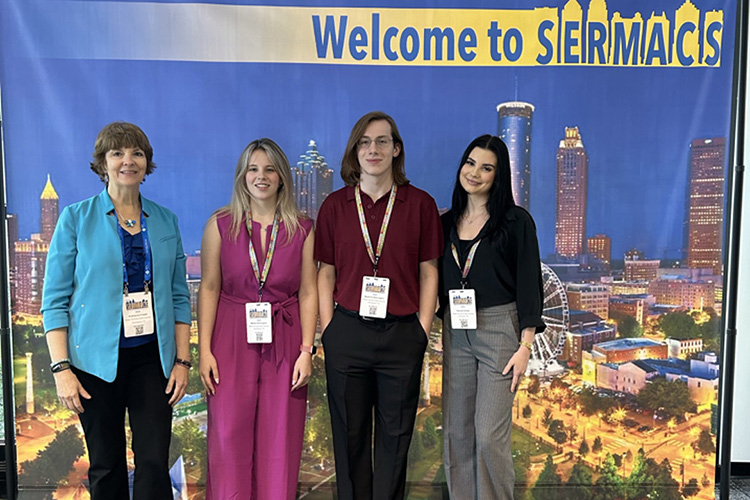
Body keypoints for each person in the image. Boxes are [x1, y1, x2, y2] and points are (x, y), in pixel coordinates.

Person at [41, 122, 192, 500]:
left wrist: (182, 362)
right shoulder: (76, 219)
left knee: (154, 463)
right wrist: (61, 369)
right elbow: (54, 301)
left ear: (147, 163)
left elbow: (178, 297)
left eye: (137, 153)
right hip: (93, 364)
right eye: (117, 153)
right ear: (102, 163)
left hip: (151, 361)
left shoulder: (165, 221)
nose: (128, 160)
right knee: (106, 465)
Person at [315, 111, 443, 500]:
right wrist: (329, 330)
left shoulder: (420, 204)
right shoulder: (335, 206)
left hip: (402, 334)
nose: (373, 149)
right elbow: (325, 273)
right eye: (365, 142)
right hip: (347, 333)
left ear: (396, 149)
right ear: (355, 151)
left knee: (396, 437)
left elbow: (429, 272)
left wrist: (422, 329)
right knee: (349, 437)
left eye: (382, 141)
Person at [198, 138, 317, 500]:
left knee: (281, 438)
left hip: (286, 338)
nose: (261, 177)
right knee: (228, 438)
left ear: (283, 177)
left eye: (269, 169)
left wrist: (307, 350)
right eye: (253, 169)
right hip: (231, 339)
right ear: (242, 176)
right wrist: (204, 351)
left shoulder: (303, 229)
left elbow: (309, 291)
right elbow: (209, 288)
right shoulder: (220, 225)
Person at [439, 134, 545, 500]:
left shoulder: (515, 222)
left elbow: (530, 283)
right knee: (457, 433)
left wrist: (525, 345)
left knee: (487, 435)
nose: (475, 173)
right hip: (456, 329)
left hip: (501, 331)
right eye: (470, 163)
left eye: (487, 167)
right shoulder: (445, 223)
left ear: (499, 176)